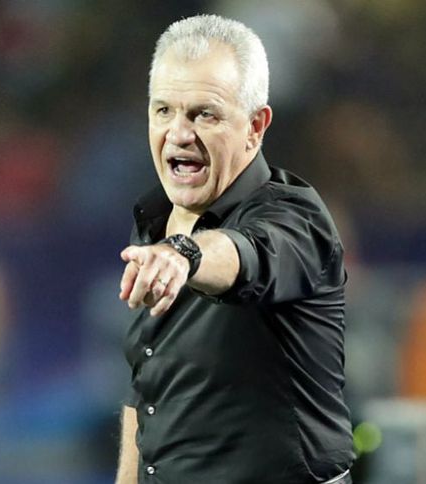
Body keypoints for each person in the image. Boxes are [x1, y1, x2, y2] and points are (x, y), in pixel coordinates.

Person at [116, 15, 353, 484]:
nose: (179, 133)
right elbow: (147, 392)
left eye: (204, 114)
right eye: (163, 111)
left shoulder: (297, 219)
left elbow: (246, 254)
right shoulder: (152, 226)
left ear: (255, 126)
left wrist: (185, 254)